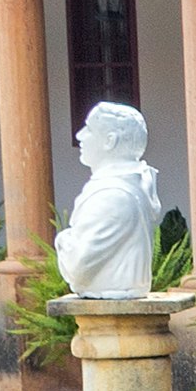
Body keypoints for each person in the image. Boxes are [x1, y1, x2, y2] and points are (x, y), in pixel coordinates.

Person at [54, 100, 162, 299]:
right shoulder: (130, 187)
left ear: (109, 140)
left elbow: (78, 267)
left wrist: (63, 239)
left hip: (112, 291)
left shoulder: (112, 196)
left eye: (89, 129)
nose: (80, 136)